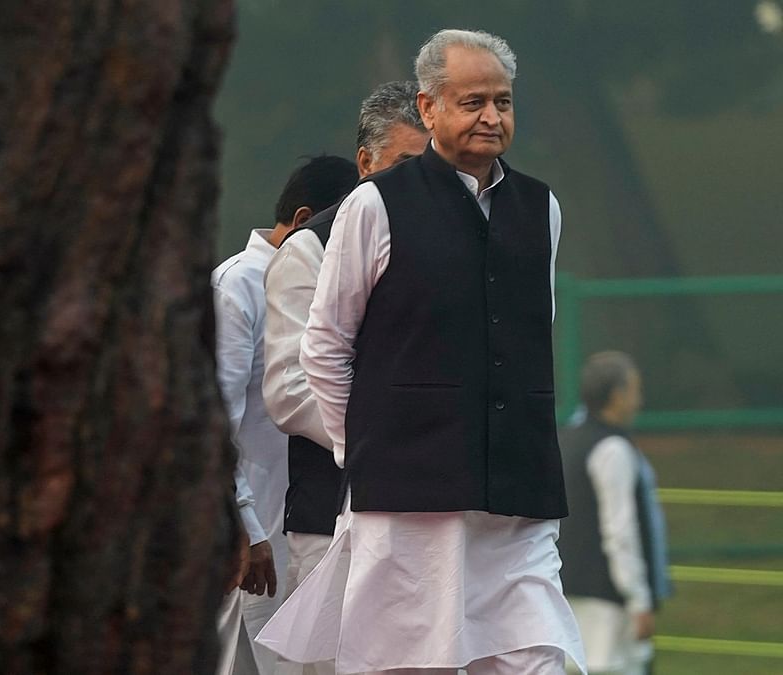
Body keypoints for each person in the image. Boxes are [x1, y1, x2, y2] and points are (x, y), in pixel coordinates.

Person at [257, 29, 585, 674]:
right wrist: (365, 444)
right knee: (408, 660)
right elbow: (324, 346)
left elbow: (527, 332)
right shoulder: (376, 205)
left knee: (534, 657)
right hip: (407, 498)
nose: (491, 117)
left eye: (503, 102)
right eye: (472, 103)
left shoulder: (539, 206)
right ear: (430, 109)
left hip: (518, 492)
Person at [259, 80, 429, 675]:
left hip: (433, 518)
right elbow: (289, 389)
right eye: (406, 164)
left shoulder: (456, 247)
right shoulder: (309, 250)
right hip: (332, 520)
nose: (423, 182)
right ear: (365, 164)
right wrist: (396, 432)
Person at [213, 155, 359, 675]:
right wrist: (244, 527)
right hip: (250, 540)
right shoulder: (236, 285)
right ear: (304, 222)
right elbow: (216, 424)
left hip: (302, 523)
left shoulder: (335, 288)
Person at [559, 352, 672, 675]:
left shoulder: (567, 440)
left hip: (567, 594)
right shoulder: (613, 449)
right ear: (617, 395)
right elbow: (620, 531)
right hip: (607, 603)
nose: (639, 400)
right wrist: (638, 599)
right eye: (635, 390)